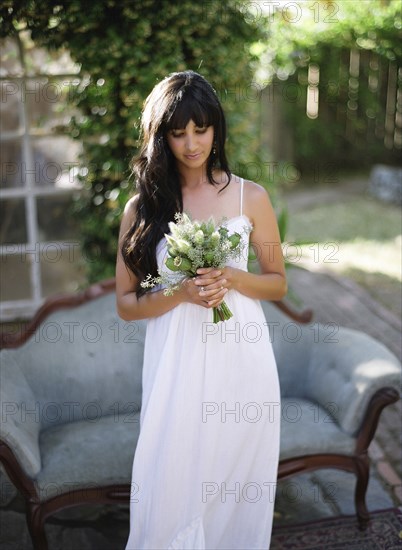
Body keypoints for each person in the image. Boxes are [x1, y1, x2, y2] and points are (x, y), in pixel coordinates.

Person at [116, 70, 287, 550]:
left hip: (242, 361)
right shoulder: (142, 209)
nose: (191, 143)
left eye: (201, 129)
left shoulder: (250, 196)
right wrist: (182, 294)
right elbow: (127, 306)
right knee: (170, 477)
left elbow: (277, 283)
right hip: (176, 363)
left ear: (216, 130)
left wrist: (231, 277)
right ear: (161, 136)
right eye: (177, 132)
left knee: (233, 484)